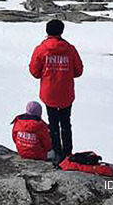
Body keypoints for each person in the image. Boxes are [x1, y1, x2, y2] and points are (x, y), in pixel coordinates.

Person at [29, 18, 83, 161]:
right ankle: (68, 152)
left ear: (47, 31)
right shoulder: (70, 49)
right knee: (66, 122)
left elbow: (34, 72)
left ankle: (57, 152)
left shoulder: (41, 49)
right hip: (66, 93)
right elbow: (79, 71)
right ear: (61, 31)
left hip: (49, 92)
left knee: (53, 123)